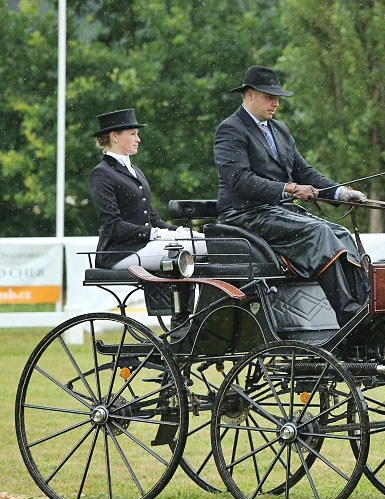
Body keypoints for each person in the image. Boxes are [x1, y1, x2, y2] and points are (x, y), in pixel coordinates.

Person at [214, 65, 368, 323]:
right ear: (249, 94)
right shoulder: (231, 129)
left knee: (340, 233)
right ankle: (348, 313)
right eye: (269, 97)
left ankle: (364, 304)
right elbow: (240, 180)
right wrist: (290, 188)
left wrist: (340, 193)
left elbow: (304, 171)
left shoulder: (280, 130)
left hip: (277, 213)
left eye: (277, 98)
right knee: (319, 233)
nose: (275, 103)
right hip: (244, 215)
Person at [89, 108, 205, 269]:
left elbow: (153, 220)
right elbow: (113, 224)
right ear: (114, 136)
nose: (138, 139)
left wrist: (180, 231)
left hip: (143, 246)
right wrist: (154, 234)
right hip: (120, 253)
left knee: (202, 243)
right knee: (196, 249)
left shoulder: (136, 171)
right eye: (132, 134)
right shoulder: (101, 173)